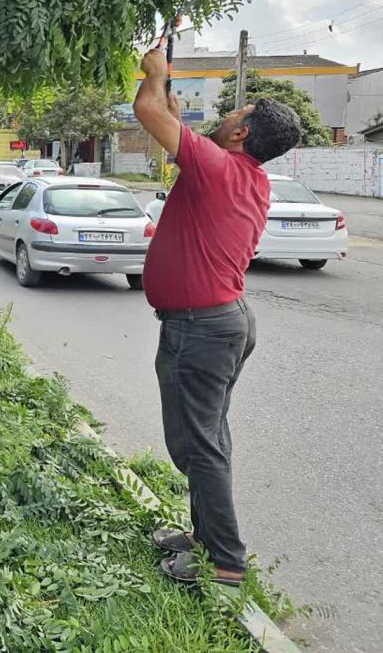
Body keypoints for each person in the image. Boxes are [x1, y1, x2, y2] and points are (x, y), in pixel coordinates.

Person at [133, 41, 301, 588]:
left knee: (197, 445)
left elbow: (147, 110)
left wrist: (152, 74)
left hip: (200, 328)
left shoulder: (217, 169)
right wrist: (170, 98)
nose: (229, 112)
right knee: (206, 437)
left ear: (241, 132)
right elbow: (177, 129)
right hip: (220, 323)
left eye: (236, 111)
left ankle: (225, 561)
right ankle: (205, 536)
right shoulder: (246, 176)